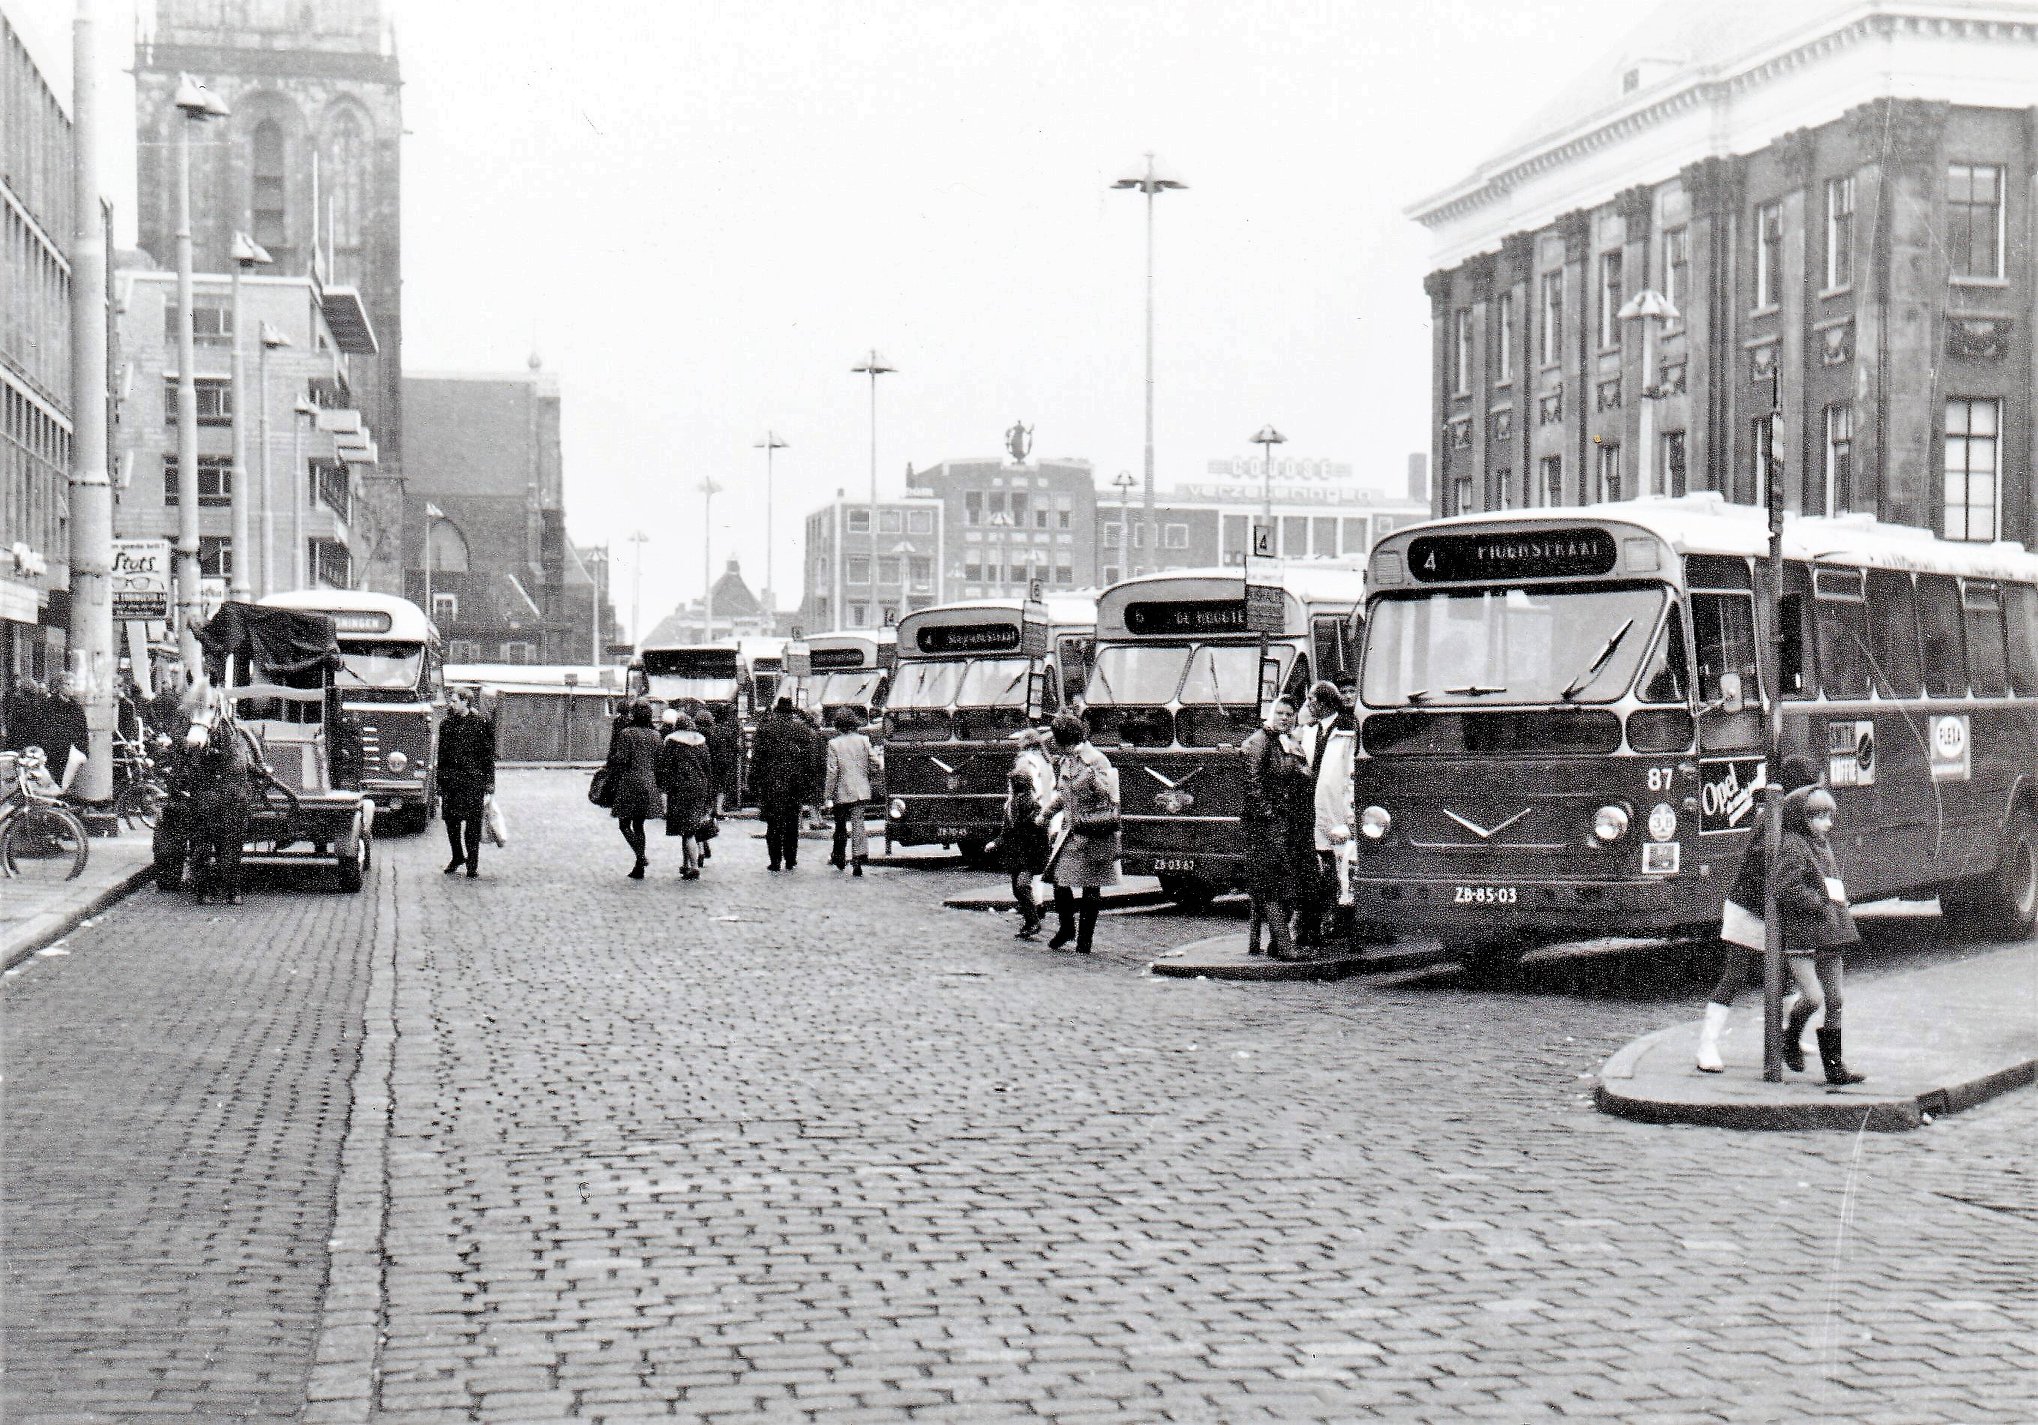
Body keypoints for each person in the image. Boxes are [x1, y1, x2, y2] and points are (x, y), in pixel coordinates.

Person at [1695, 754, 1823, 1072]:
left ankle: (1782, 1039)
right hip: (1749, 908)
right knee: (1735, 975)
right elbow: (1761, 869)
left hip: (1772, 911)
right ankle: (1706, 1046)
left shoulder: (1789, 818)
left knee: (1786, 977)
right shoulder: (1773, 820)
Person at [1773, 785, 1866, 1084]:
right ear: (1803, 818)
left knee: (1836, 999)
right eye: (1820, 817)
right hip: (1803, 934)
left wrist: (1836, 902)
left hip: (1830, 930)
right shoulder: (1793, 846)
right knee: (1813, 997)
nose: (1828, 823)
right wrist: (1820, 900)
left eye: (1829, 816)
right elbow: (1785, 888)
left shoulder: (1822, 844)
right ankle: (1791, 1037)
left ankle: (1835, 1067)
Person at [1041, 711, 1120, 953]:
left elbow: (1110, 796)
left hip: (1094, 829)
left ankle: (1085, 939)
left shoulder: (1097, 760)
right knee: (1058, 879)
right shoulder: (1065, 760)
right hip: (1071, 831)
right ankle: (1067, 928)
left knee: (1091, 886)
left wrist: (1090, 776)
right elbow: (1064, 795)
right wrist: (1047, 813)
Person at [1241, 697, 1313, 960]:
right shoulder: (1258, 742)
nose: (1285, 718)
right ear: (1271, 714)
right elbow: (1253, 786)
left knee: (1286, 884)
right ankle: (1283, 945)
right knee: (1271, 885)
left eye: (1289, 714)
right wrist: (1270, 818)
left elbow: (1300, 775)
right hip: (1264, 828)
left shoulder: (1286, 742)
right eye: (1280, 713)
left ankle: (1278, 942)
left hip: (1285, 824)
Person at [1293, 681, 1354, 950]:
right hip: (1310, 807)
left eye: (1311, 699)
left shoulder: (1347, 731)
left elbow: (1349, 776)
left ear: (1324, 702)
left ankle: (1338, 926)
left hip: (1335, 810)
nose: (1308, 704)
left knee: (1339, 870)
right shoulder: (1309, 731)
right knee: (1313, 869)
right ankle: (1313, 924)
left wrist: (1349, 814)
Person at [998, 724, 1055, 939]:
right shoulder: (1046, 761)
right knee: (1034, 867)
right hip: (1046, 817)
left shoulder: (1025, 762)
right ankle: (1037, 905)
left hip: (1030, 818)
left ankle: (1034, 908)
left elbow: (1027, 789)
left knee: (1026, 867)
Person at [749, 696, 817, 871]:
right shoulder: (801, 730)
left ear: (776, 711)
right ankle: (790, 858)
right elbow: (810, 759)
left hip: (771, 782)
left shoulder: (765, 729)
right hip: (795, 782)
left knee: (773, 823)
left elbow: (756, 758)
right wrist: (809, 782)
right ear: (791, 712)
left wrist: (753, 781)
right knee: (792, 821)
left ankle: (775, 860)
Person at [435, 688, 496, 878]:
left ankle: (472, 862)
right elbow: (442, 755)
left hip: (473, 782)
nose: (450, 704)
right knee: (451, 823)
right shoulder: (446, 725)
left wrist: (489, 781)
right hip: (451, 782)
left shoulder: (480, 724)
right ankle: (457, 856)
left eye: (454, 701)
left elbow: (488, 755)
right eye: (451, 701)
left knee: (472, 825)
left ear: (465, 702)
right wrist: (440, 782)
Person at [603, 700, 665, 879]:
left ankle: (641, 857)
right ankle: (639, 867)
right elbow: (660, 761)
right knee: (639, 825)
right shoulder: (656, 735)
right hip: (649, 782)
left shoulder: (627, 733)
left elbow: (621, 759)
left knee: (624, 824)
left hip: (630, 782)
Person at [658, 709, 715, 880]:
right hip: (700, 787)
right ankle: (686, 863)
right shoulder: (701, 743)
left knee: (686, 829)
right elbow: (708, 769)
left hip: (680, 789)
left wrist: (663, 791)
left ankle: (694, 866)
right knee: (689, 827)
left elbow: (665, 769)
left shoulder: (671, 743)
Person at [823, 708, 876, 875]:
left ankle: (839, 856)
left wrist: (827, 794)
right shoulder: (864, 741)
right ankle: (858, 858)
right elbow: (876, 762)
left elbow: (832, 771)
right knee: (858, 823)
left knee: (840, 825)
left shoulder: (834, 744)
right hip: (861, 789)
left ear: (838, 725)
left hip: (841, 790)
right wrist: (867, 775)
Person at [702, 706, 742, 815]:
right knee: (722, 785)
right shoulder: (726, 730)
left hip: (712, 760)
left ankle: (710, 809)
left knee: (712, 784)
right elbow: (733, 745)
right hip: (724, 760)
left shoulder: (711, 730)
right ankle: (718, 810)